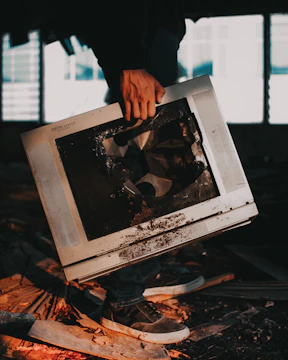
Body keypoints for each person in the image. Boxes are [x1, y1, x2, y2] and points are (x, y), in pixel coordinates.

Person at [45, 0, 205, 344]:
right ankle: (124, 298)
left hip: (157, 27)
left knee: (158, 159)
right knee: (133, 165)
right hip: (136, 31)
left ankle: (148, 270)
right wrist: (127, 61)